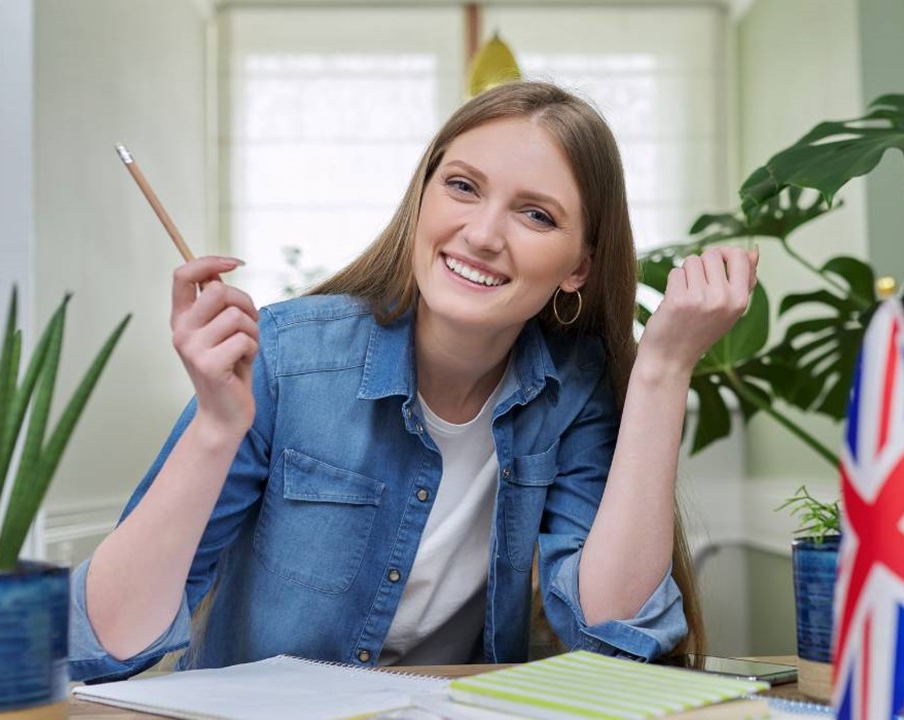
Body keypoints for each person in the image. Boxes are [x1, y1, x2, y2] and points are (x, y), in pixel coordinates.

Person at [69, 81, 758, 683]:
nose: (482, 234)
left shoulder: (573, 391)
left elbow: (613, 635)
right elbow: (106, 644)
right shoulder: (288, 356)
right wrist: (219, 428)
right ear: (422, 196)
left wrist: (664, 370)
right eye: (463, 187)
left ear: (579, 266)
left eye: (536, 214)